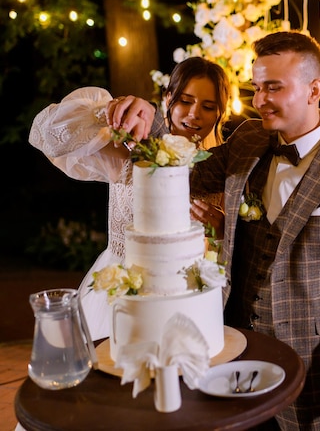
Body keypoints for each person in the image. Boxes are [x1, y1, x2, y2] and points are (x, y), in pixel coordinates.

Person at [191, 31, 320, 430]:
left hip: (312, 369)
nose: (259, 100)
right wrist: (149, 119)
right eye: (256, 88)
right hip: (234, 351)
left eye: (273, 88)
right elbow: (183, 171)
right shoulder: (248, 138)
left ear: (313, 89)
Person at [29, 57, 230, 341]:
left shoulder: (224, 168)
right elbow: (47, 133)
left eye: (208, 107)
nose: (195, 114)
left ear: (220, 113)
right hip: (124, 290)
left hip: (189, 294)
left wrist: (222, 234)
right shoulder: (132, 151)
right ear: (167, 98)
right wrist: (106, 112)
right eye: (185, 101)